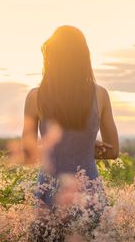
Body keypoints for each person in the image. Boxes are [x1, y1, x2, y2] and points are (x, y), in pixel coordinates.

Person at [22, 25, 119, 217]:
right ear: (83, 57)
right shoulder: (100, 95)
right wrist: (86, 148)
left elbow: (27, 154)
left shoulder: (35, 97)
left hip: (50, 189)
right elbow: (113, 151)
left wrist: (56, 149)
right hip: (89, 189)